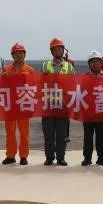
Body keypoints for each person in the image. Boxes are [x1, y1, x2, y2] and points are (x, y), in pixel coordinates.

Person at [42, 37, 75, 166]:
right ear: (51, 51)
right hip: (48, 105)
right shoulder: (45, 66)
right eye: (55, 49)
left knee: (61, 134)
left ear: (63, 50)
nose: (57, 51)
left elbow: (73, 85)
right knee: (48, 133)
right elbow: (39, 84)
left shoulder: (69, 67)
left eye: (60, 49)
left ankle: (61, 157)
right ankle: (49, 157)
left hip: (63, 105)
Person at [1, 43, 34, 165]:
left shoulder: (30, 70)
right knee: (10, 132)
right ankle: (10, 155)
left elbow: (35, 87)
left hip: (24, 105)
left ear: (24, 55)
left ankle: (23, 156)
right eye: (16, 53)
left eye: (21, 53)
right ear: (12, 55)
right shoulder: (6, 70)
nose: (18, 55)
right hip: (10, 105)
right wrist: (1, 78)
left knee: (24, 132)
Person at [81, 50, 103, 166]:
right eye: (92, 62)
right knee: (88, 137)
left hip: (102, 111)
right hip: (88, 113)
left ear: (101, 63)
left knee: (101, 137)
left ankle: (101, 158)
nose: (94, 64)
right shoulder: (84, 77)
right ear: (89, 64)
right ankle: (87, 158)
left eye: (97, 61)